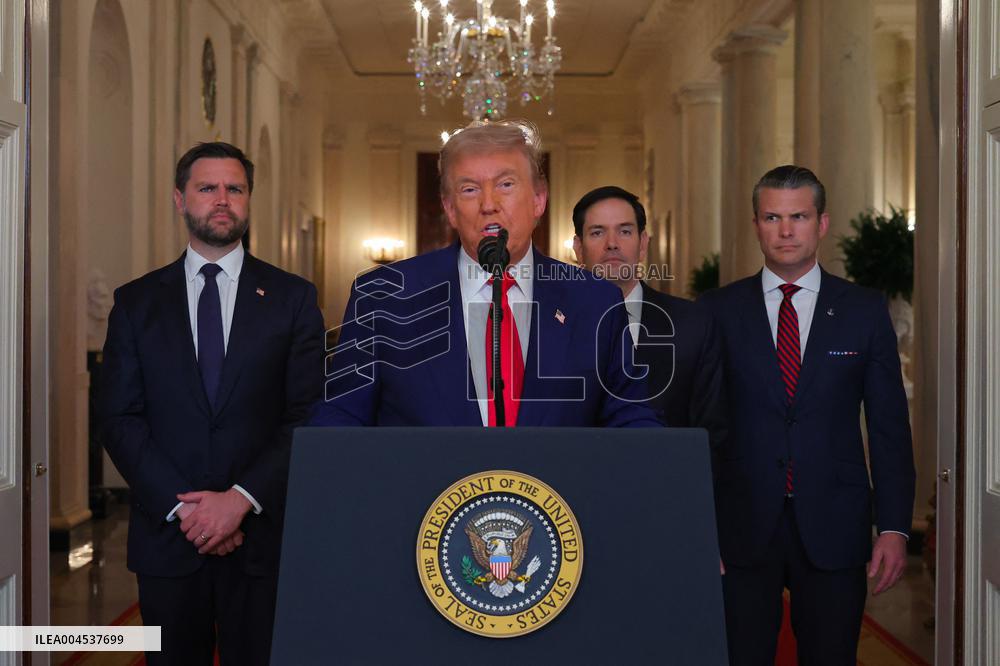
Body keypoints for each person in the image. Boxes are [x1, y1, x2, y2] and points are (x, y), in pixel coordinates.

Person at [99, 142, 325, 665]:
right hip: (168, 538)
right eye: (207, 188)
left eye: (235, 189)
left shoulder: (292, 298)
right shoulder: (136, 303)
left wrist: (239, 500)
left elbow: (308, 413)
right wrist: (189, 512)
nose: (222, 200)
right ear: (180, 199)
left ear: (248, 199)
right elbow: (119, 418)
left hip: (263, 539)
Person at [699, 165, 915, 665]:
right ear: (756, 224)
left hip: (835, 523)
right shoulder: (717, 310)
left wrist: (895, 527)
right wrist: (698, 525)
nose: (785, 230)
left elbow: (887, 427)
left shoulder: (863, 310)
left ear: (821, 223)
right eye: (772, 217)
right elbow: (702, 427)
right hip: (740, 527)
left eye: (798, 216)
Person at [310, 120, 659, 427]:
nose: (488, 203)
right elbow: (341, 416)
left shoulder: (595, 300)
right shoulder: (384, 294)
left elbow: (629, 418)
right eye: (469, 189)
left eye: (506, 184)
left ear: (539, 199)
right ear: (450, 208)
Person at [571, 185, 727, 451]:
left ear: (643, 244)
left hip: (669, 485)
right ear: (578, 248)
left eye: (625, 231)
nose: (612, 243)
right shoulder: (553, 325)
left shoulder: (693, 324)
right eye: (597, 232)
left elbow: (713, 432)